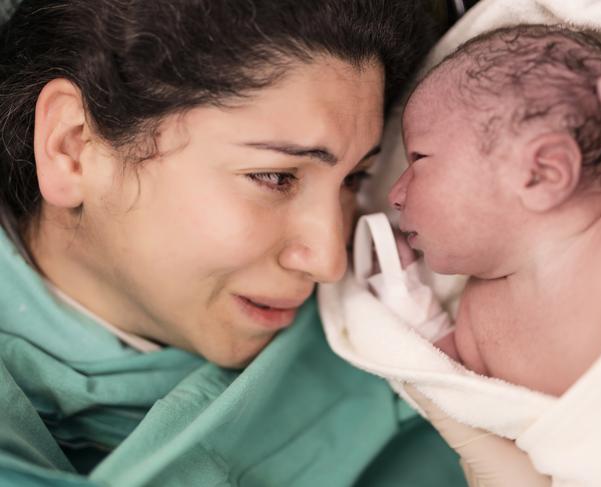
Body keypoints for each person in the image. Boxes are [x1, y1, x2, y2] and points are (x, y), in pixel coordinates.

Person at [0, 0, 470, 485]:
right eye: (275, 177)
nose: (329, 261)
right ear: (73, 147)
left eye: (355, 179)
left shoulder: (422, 380)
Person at [389, 24, 601, 397]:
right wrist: (415, 312)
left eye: (419, 158)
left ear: (542, 172)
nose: (395, 194)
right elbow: (461, 393)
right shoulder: (476, 314)